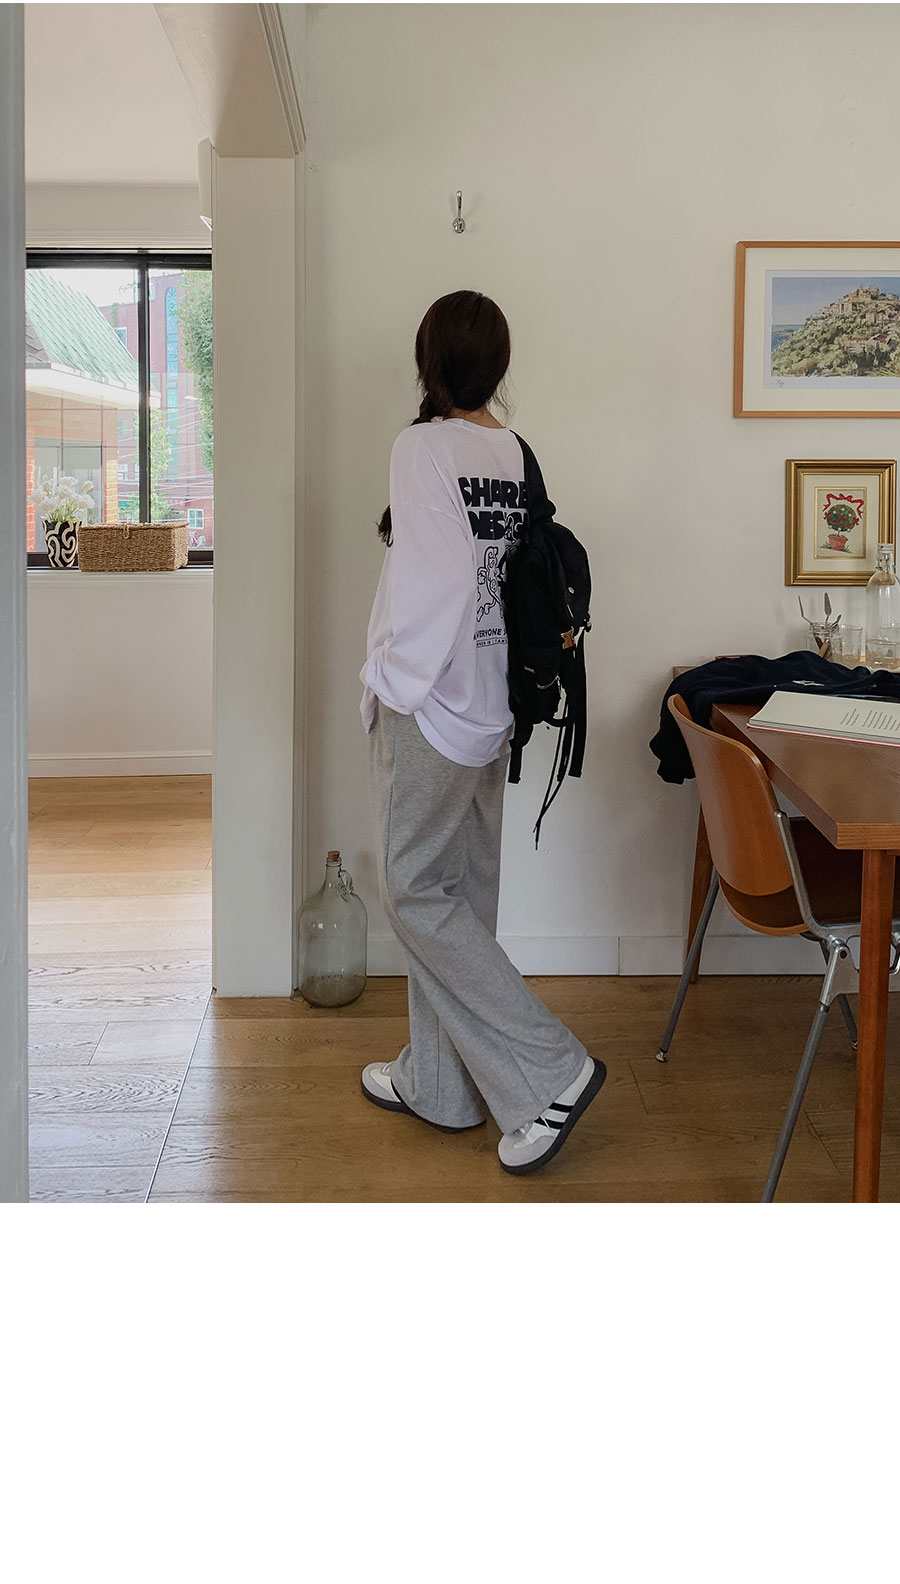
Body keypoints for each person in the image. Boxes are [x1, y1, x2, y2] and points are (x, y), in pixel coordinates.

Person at [358, 289, 606, 1175]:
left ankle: (549, 1067)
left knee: (415, 895)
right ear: (496, 366)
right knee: (460, 898)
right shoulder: (512, 450)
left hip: (432, 704)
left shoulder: (421, 447)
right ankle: (442, 1085)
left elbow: (440, 584)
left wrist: (391, 680)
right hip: (496, 703)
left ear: (429, 362)